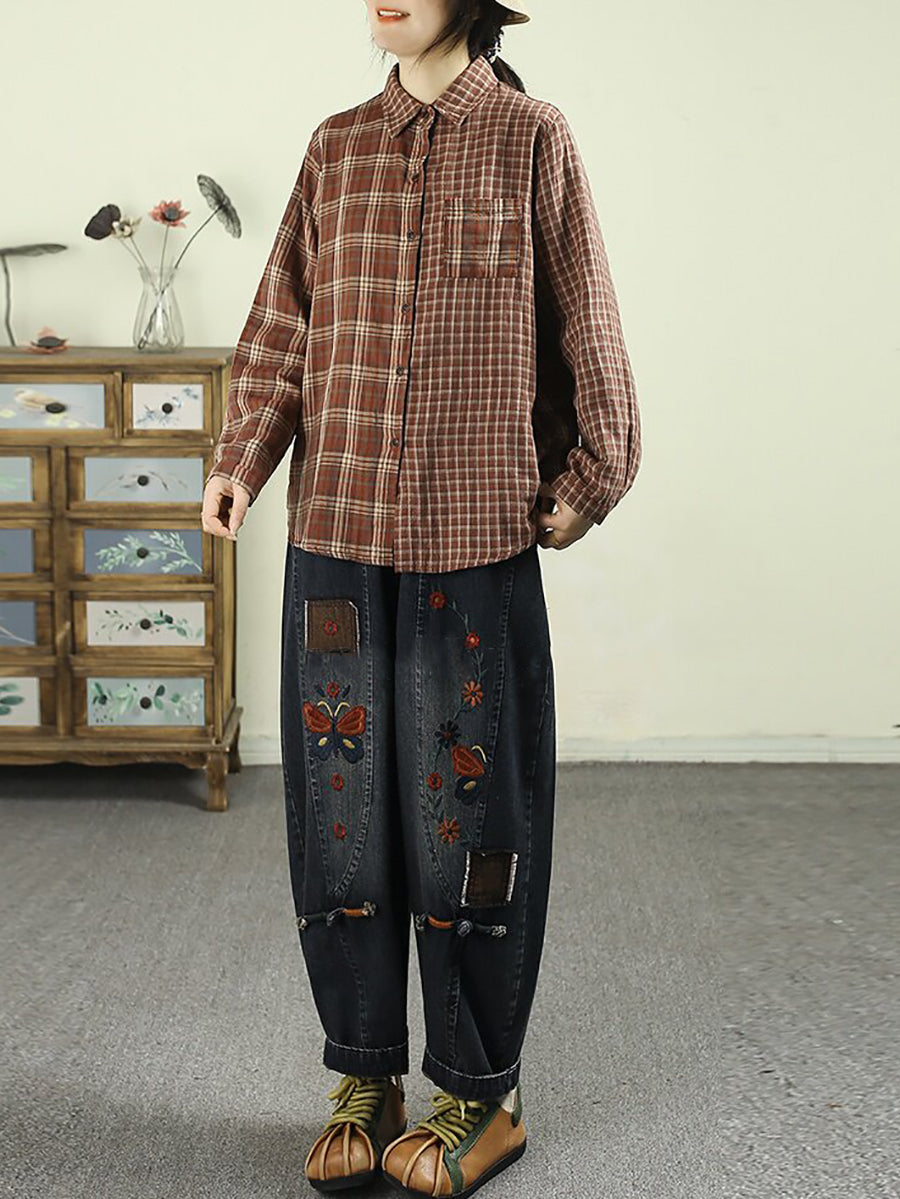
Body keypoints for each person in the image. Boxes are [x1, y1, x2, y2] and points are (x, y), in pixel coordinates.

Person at [201, 1, 641, 1194]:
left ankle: (480, 1096)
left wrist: (595, 470)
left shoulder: (532, 137)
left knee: (471, 830)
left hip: (472, 539)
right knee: (340, 822)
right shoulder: (337, 145)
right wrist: (243, 458)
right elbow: (284, 319)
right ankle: (366, 1075)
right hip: (336, 541)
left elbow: (585, 313)